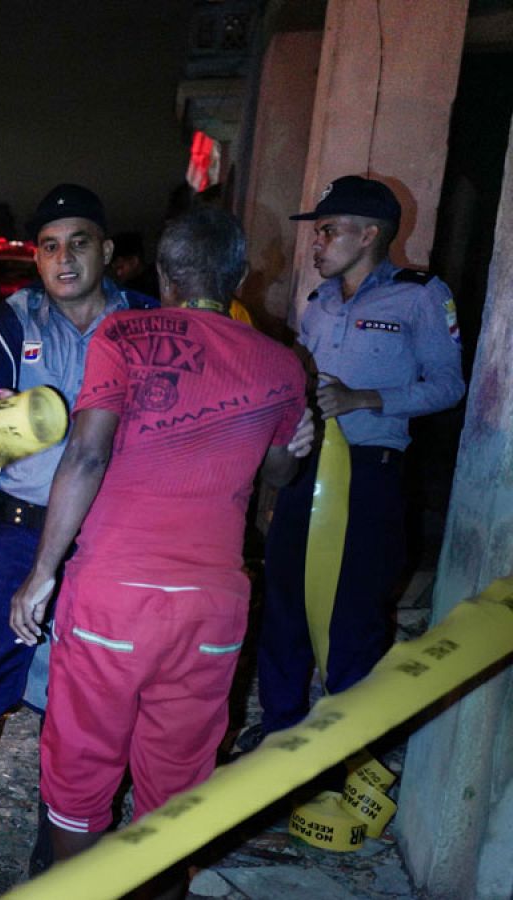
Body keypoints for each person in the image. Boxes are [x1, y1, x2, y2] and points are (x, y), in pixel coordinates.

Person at [10, 208, 313, 892]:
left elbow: (86, 455)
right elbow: (280, 474)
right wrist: (298, 444)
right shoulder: (281, 363)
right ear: (239, 274)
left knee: (82, 761)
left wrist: (40, 574)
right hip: (212, 608)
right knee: (178, 778)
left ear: (164, 276)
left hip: (113, 597)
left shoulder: (124, 333)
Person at [0, 184, 156, 870]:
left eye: (79, 242)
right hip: (23, 528)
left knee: (92, 688)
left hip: (114, 534)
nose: (64, 257)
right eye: (49, 246)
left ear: (107, 251)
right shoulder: (10, 321)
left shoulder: (147, 320)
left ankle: (64, 831)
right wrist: (1, 414)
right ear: (36, 259)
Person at [246, 176, 465, 748]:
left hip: (372, 472)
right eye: (317, 231)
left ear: (368, 235)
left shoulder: (420, 295)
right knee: (286, 602)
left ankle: (348, 749)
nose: (316, 243)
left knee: (356, 613)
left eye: (327, 231)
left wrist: (366, 399)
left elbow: (448, 385)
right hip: (307, 467)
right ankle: (279, 734)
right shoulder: (316, 304)